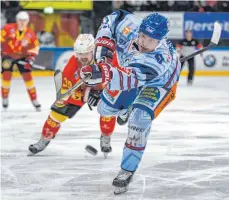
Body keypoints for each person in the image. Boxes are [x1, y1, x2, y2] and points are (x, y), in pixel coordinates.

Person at [79, 10, 181, 194]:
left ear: (160, 40)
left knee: (139, 118)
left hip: (160, 83)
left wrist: (101, 74)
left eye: (151, 40)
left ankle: (127, 169)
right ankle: (125, 110)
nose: (144, 43)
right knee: (104, 109)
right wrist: (103, 59)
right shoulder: (129, 26)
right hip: (130, 74)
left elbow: (128, 79)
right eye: (142, 36)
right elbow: (111, 19)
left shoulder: (159, 58)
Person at [28, 34, 116, 157]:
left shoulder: (104, 60)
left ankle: (106, 137)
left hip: (102, 89)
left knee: (109, 109)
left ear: (93, 51)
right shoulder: (72, 65)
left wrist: (99, 92)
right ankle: (44, 139)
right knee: (57, 113)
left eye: (86, 53)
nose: (83, 57)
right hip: (80, 91)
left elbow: (114, 81)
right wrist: (69, 97)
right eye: (80, 53)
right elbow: (66, 89)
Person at [1, 11, 41, 110]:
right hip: (8, 57)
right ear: (16, 20)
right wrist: (3, 51)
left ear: (27, 21)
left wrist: (30, 59)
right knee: (6, 76)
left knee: (28, 78)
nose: (22, 22)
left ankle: (34, 100)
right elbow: (1, 40)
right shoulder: (7, 28)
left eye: (24, 20)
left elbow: (35, 47)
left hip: (22, 58)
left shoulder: (30, 34)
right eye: (20, 20)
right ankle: (5, 98)